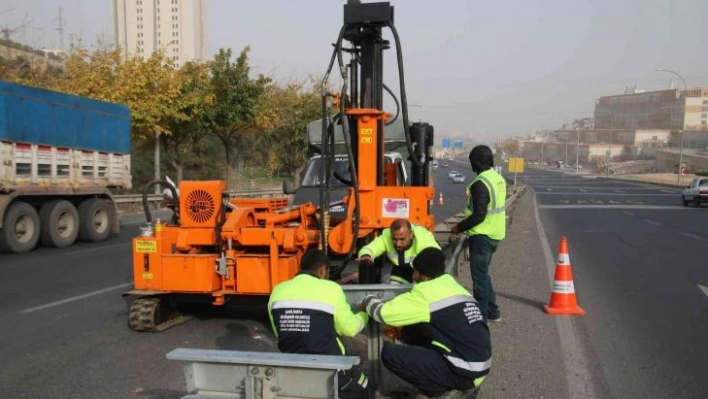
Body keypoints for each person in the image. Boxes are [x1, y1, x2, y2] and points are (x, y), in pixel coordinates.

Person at [361, 247, 491, 398]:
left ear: (425, 276)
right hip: (479, 366)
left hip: (464, 372)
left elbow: (382, 313)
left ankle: (439, 392)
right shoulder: (455, 288)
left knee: (390, 354)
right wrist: (403, 333)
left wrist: (367, 299)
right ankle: (446, 384)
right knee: (418, 327)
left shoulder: (425, 292)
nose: (413, 276)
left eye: (415, 271)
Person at [268, 249, 375, 398]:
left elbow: (278, 331)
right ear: (323, 270)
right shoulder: (331, 288)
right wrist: (365, 315)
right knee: (366, 389)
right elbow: (349, 329)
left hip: (292, 364)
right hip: (330, 366)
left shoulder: (278, 290)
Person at [451, 145, 506, 322]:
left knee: (479, 279)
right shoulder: (498, 178)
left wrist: (459, 227)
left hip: (482, 235)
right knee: (484, 274)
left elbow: (479, 215)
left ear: (476, 163)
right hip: (495, 233)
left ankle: (480, 318)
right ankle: (493, 311)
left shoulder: (480, 184)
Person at [357, 218, 440, 284]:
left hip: (422, 271)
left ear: (411, 235)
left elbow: (437, 257)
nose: (398, 244)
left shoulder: (423, 238)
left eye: (402, 239)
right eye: (394, 239)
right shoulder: (386, 236)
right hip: (401, 269)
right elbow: (370, 248)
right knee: (393, 291)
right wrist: (366, 255)